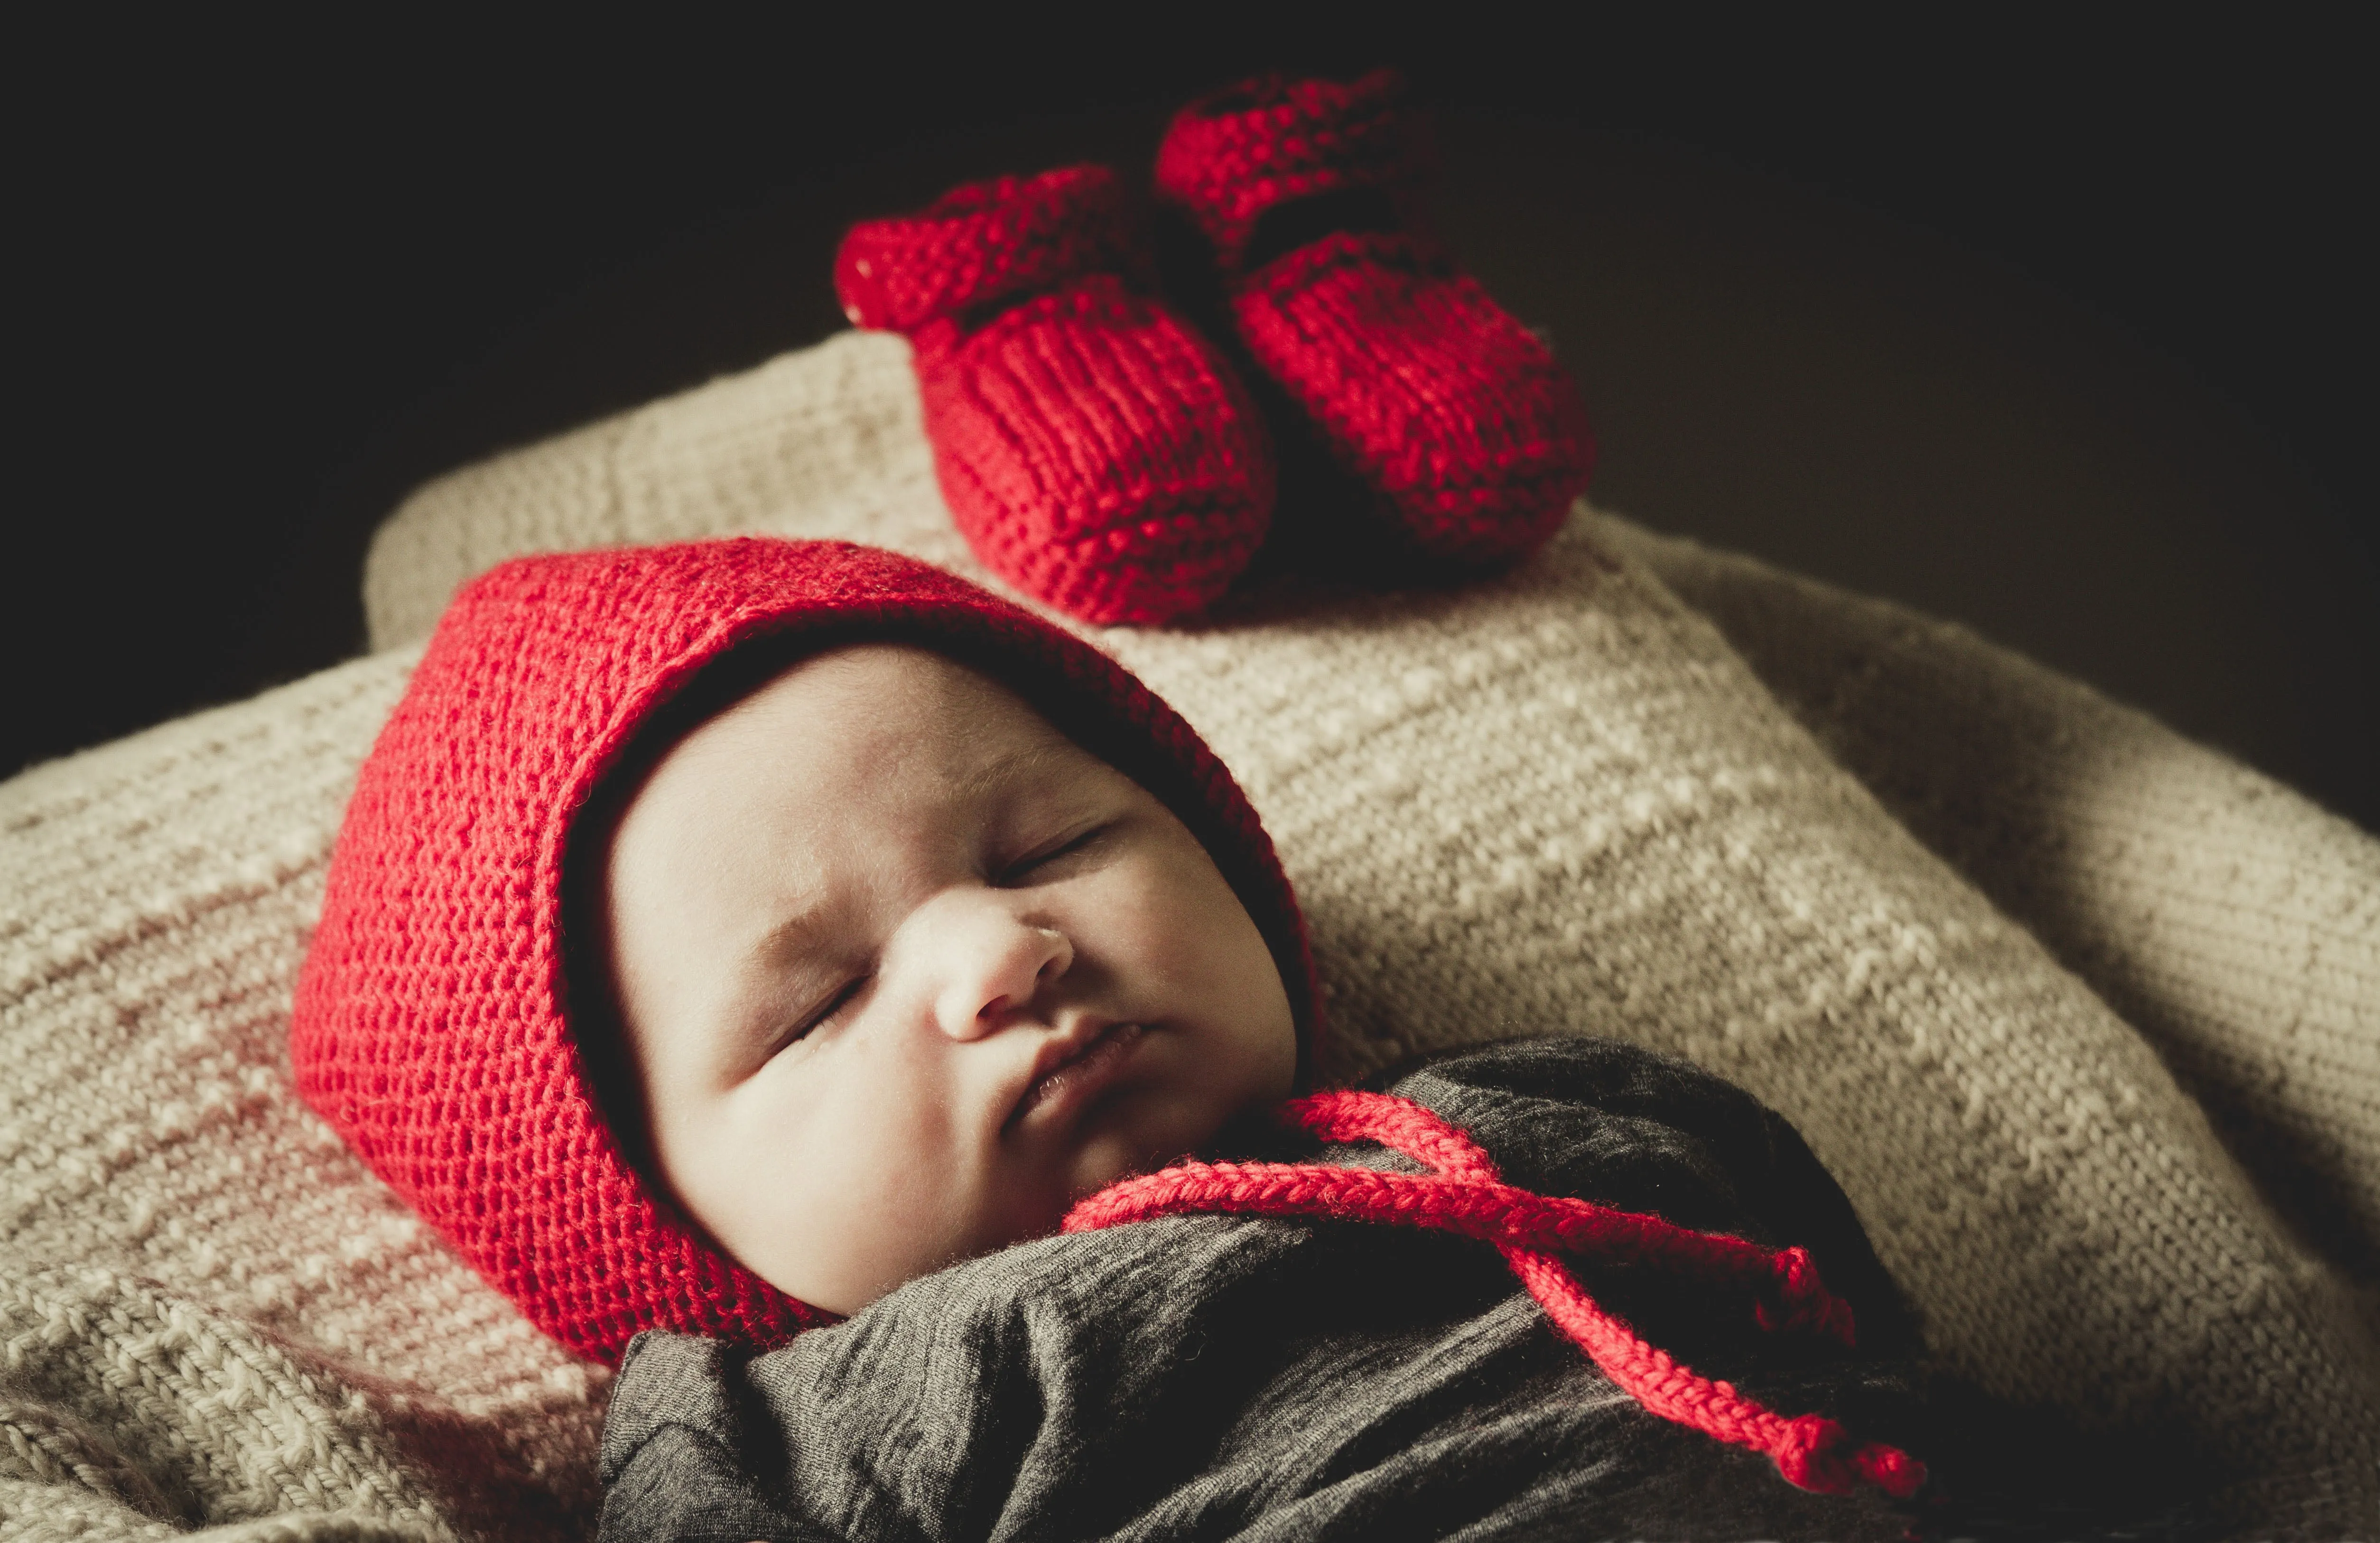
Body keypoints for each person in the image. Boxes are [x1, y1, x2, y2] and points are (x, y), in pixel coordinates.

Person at [291, 537, 2206, 1541]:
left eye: (1049, 843)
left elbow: (1851, 1336)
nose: (996, 946)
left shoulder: (1544, 1116)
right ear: (659, 1208)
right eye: (815, 999)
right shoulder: (807, 1428)